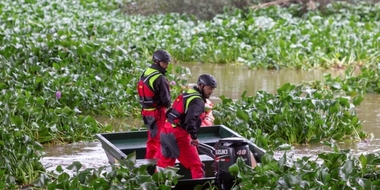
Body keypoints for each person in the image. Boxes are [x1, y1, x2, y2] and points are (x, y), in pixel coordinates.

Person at [157, 74, 217, 179]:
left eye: (212, 89)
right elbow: (190, 120)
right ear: (201, 86)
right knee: (196, 166)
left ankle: (156, 185)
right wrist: (194, 137)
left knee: (164, 165)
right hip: (177, 135)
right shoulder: (198, 101)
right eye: (209, 88)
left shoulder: (188, 93)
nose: (211, 91)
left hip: (165, 132)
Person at [137, 49, 172, 159]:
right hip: (157, 113)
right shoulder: (160, 78)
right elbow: (166, 100)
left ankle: (149, 162)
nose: (166, 66)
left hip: (146, 112)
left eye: (167, 63)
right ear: (157, 62)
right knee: (160, 140)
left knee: (151, 139)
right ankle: (158, 166)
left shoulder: (146, 72)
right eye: (164, 63)